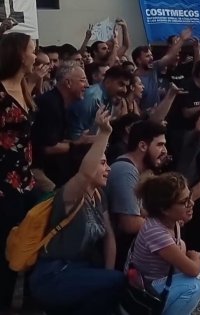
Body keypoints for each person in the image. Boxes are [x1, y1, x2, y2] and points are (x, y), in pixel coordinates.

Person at [29, 108, 125, 315]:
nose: (108, 168)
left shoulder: (99, 196)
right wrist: (104, 133)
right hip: (53, 275)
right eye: (103, 163)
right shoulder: (69, 195)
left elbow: (109, 237)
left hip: (78, 272)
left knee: (111, 287)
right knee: (117, 282)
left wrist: (106, 277)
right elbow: (86, 173)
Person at [130, 172, 200, 315]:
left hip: (162, 278)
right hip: (147, 289)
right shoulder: (156, 232)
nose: (191, 204)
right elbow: (192, 269)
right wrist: (193, 257)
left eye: (190, 198)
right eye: (184, 202)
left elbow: (180, 251)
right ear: (164, 209)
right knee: (196, 284)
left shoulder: (169, 220)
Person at [0, 32, 37, 312]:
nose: (35, 56)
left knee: (21, 245)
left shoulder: (24, 88)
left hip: (25, 180)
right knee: (5, 246)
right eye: (32, 51)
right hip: (4, 183)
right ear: (19, 54)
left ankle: (16, 301)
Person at [106, 120, 168, 270]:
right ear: (142, 146)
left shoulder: (134, 170)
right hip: (115, 253)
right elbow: (130, 224)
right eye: (159, 145)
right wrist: (166, 224)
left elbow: (140, 212)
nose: (165, 151)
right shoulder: (125, 170)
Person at [31, 61, 91, 189]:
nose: (87, 85)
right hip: (36, 170)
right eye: (82, 81)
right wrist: (78, 143)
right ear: (68, 83)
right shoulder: (49, 104)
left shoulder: (59, 103)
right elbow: (48, 147)